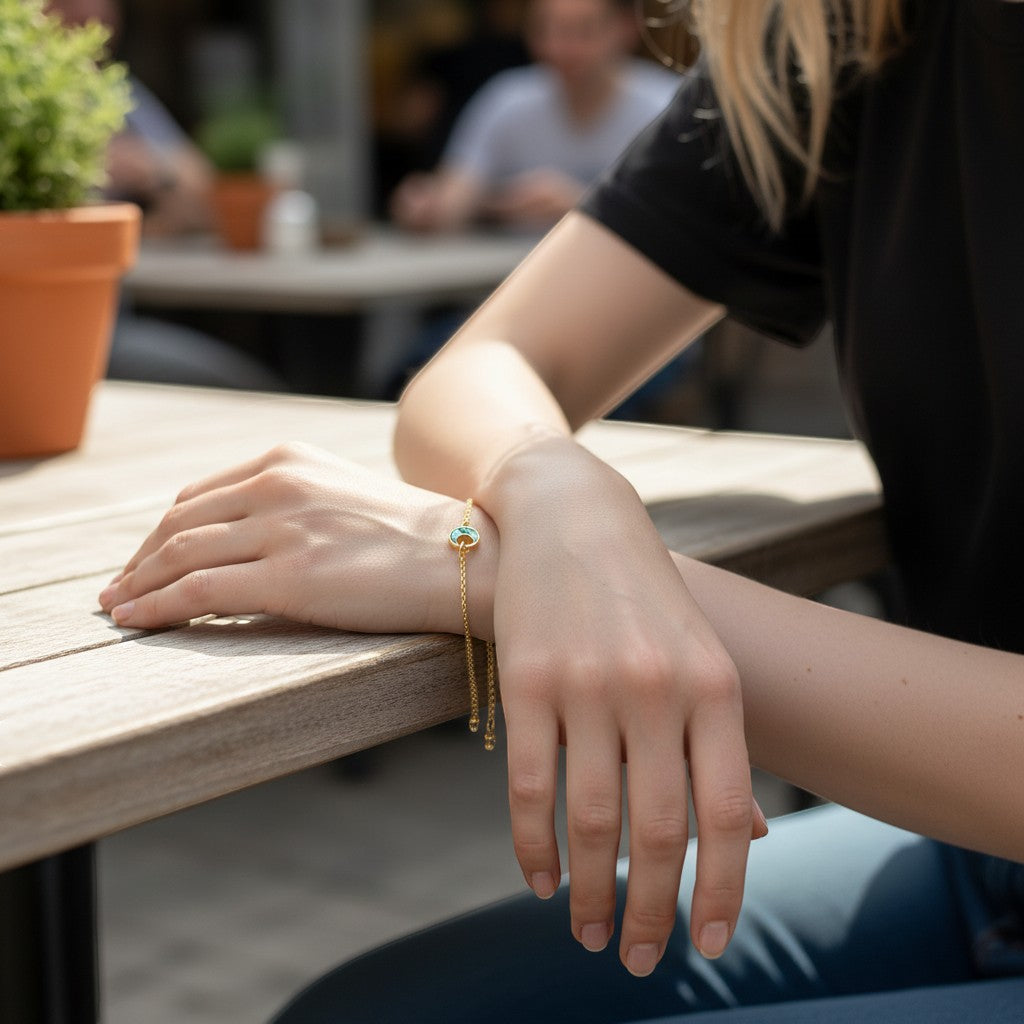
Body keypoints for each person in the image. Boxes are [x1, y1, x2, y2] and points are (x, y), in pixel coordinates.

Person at [97, 0, 1024, 1020]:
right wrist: (556, 491)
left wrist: (492, 571)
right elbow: (486, 363)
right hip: (968, 854)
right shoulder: (839, 37)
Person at [391, 0, 679, 232]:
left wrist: (585, 204)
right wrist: (428, 206)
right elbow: (455, 194)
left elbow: (684, 222)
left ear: (627, 28)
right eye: (545, 29)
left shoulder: (666, 107)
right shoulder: (506, 99)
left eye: (583, 30)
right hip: (509, 281)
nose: (560, 47)